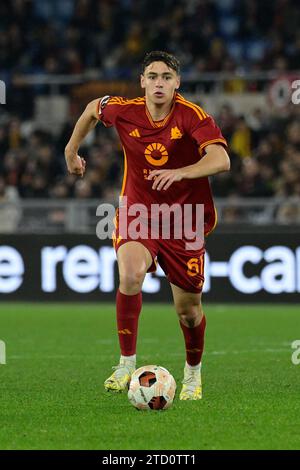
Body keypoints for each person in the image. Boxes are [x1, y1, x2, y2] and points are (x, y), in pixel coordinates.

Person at [65, 51, 230, 400]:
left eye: (167, 77)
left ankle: (193, 375)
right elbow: (93, 108)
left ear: (177, 83)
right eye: (153, 76)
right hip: (138, 215)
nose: (159, 82)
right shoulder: (126, 111)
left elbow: (221, 159)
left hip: (184, 221)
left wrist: (181, 172)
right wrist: (71, 149)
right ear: (142, 81)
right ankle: (126, 363)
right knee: (129, 275)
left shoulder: (192, 116)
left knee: (188, 311)